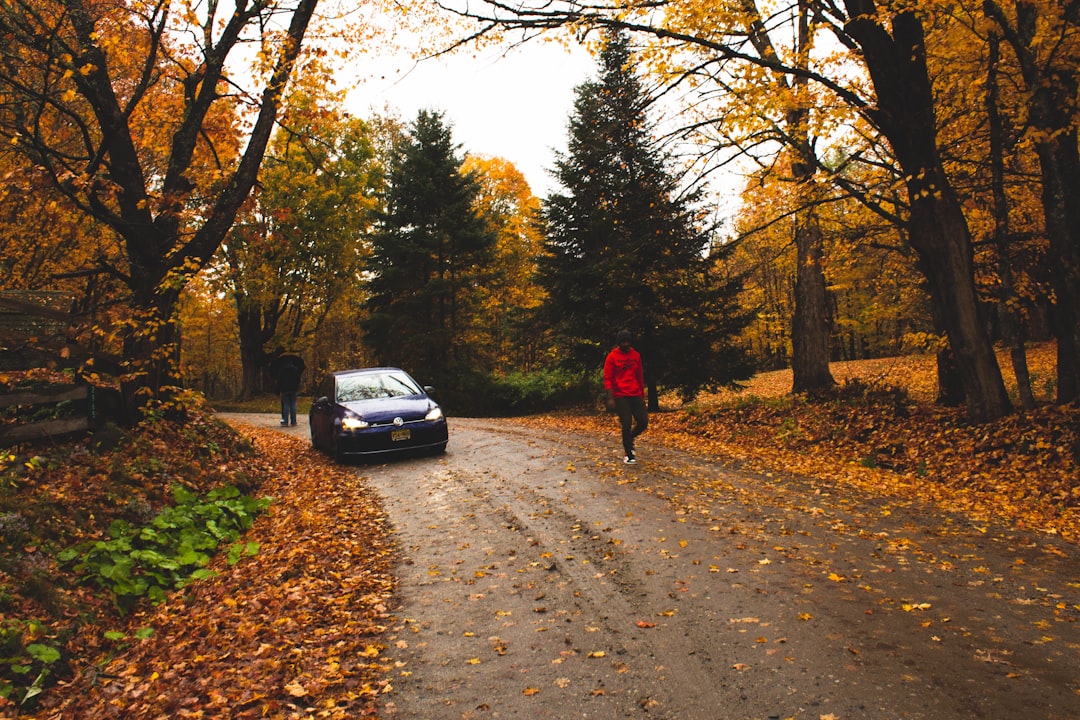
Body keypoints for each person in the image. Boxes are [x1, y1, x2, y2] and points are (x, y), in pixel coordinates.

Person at [603, 329, 648, 464]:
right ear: (619, 343)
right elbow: (608, 378)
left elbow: (639, 376)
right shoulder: (612, 357)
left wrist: (642, 395)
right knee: (626, 423)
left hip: (635, 392)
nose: (626, 344)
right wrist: (611, 398)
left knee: (643, 421)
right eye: (623, 342)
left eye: (628, 341)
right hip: (620, 394)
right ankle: (628, 453)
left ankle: (630, 438)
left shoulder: (636, 356)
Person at [271, 351, 305, 426]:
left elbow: (279, 381)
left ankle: (285, 421)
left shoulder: (282, 370)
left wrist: (277, 390)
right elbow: (298, 380)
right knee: (293, 405)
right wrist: (297, 387)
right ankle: (293, 421)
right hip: (293, 389)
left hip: (285, 390)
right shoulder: (296, 370)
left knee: (286, 405)